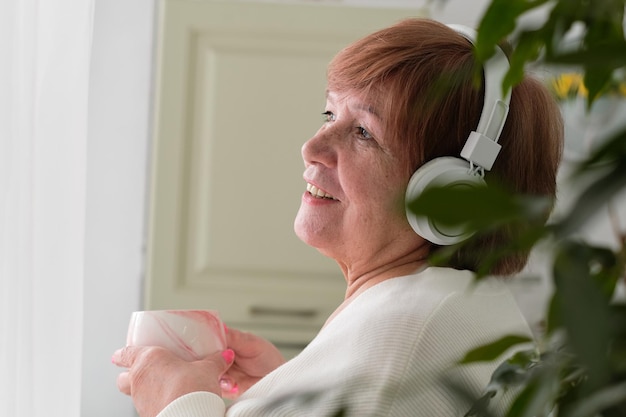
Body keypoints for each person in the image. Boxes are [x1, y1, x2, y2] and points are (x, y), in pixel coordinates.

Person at [112, 18, 563, 417]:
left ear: (451, 196)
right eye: (329, 113)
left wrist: (177, 403)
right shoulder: (443, 306)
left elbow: (391, 374)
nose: (312, 146)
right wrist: (286, 389)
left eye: (364, 132)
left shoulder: (404, 332)